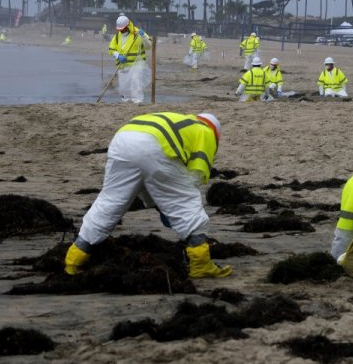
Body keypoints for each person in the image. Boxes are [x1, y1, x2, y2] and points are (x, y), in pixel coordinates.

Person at [64, 112, 232, 279]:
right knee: (186, 203)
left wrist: (164, 204)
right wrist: (178, 209)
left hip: (122, 139)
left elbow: (154, 181)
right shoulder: (206, 131)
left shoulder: (181, 120)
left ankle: (74, 260)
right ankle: (201, 265)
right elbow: (195, 176)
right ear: (216, 132)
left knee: (109, 202)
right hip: (153, 146)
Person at [108, 14, 153, 103]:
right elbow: (112, 49)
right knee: (124, 84)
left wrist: (143, 36)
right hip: (123, 64)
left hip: (137, 63)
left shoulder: (137, 33)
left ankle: (138, 100)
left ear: (128, 26)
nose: (122, 31)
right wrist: (118, 56)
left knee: (136, 81)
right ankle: (126, 100)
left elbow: (149, 46)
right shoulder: (117, 36)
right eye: (120, 29)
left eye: (123, 29)